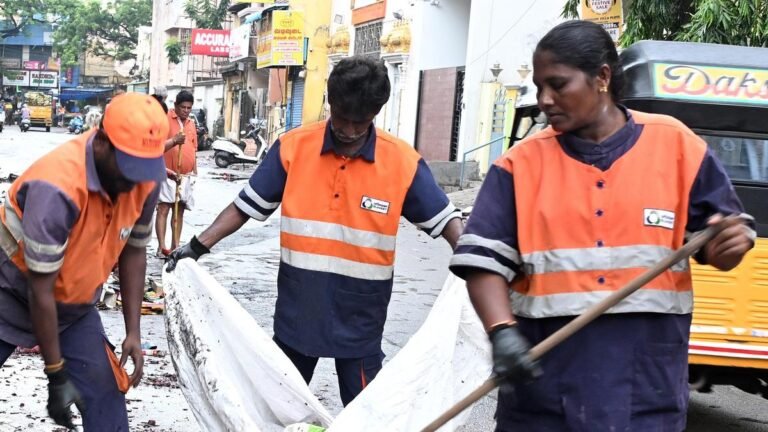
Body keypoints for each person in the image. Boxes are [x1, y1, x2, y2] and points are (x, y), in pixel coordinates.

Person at [449, 21, 756, 432]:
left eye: (557, 85)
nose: (544, 100)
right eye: (540, 86)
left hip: (645, 395)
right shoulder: (519, 166)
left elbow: (719, 245)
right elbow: (483, 261)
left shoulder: (677, 146)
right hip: (545, 395)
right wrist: (501, 331)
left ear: (602, 78)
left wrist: (730, 243)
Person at [165, 56, 464, 406]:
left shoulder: (401, 161)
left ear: (377, 112)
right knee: (280, 408)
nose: (351, 131)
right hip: (299, 308)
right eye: (343, 119)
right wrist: (196, 247)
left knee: (366, 413)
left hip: (361, 315)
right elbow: (244, 207)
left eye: (361, 122)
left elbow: (447, 221)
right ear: (329, 102)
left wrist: (479, 264)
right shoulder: (294, 147)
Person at [0, 93, 169, 430]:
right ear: (102, 141)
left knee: (107, 400)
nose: (133, 184)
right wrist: (55, 373)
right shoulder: (57, 186)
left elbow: (134, 250)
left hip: (73, 309)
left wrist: (133, 332)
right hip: (8, 293)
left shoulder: (146, 177)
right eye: (128, 170)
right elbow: (41, 292)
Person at [155, 90, 197, 257]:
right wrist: (174, 142)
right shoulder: (165, 120)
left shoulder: (191, 124)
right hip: (166, 172)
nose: (186, 111)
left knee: (179, 210)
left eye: (189, 108)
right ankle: (161, 247)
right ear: (175, 106)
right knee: (164, 208)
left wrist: (195, 170)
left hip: (186, 175)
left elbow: (194, 147)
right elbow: (156, 146)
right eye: (183, 107)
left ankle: (175, 245)